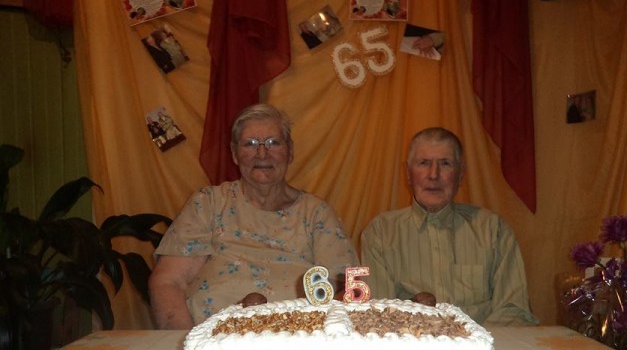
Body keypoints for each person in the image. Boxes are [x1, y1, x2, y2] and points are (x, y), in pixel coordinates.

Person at [149, 103, 358, 329]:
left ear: (290, 151)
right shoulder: (208, 204)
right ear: (235, 154)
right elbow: (168, 282)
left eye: (273, 142)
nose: (262, 153)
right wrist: (188, 349)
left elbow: (345, 289)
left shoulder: (316, 214)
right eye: (249, 144)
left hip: (295, 347)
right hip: (210, 346)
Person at [360, 127, 538, 326]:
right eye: (424, 163)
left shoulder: (493, 230)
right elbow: (377, 314)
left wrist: (475, 346)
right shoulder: (381, 233)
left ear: (460, 174)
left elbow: (514, 311)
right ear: (408, 174)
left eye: (445, 164)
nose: (433, 174)